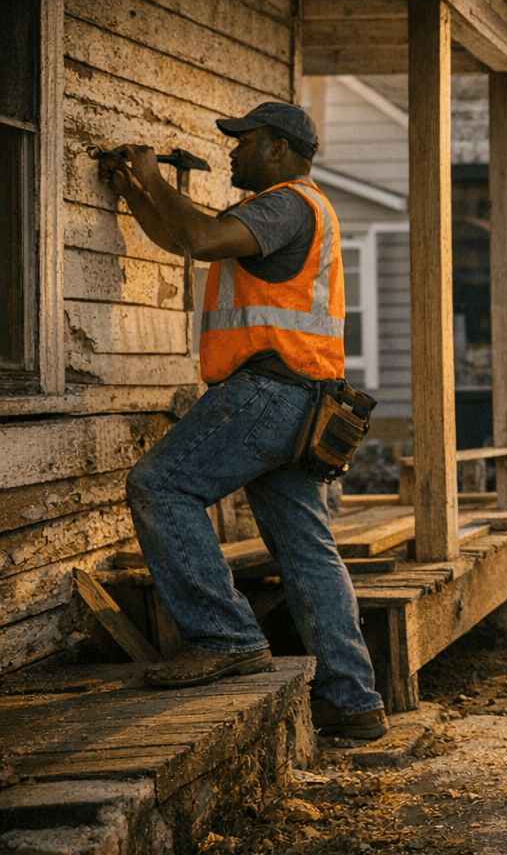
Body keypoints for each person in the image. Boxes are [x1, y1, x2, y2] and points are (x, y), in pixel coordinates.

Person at [104, 102, 387, 740]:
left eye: (244, 141)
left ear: (281, 149)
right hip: (306, 403)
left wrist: (152, 178)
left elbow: (200, 238)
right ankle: (353, 701)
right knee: (307, 548)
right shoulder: (305, 209)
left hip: (268, 392)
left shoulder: (286, 203)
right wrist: (136, 193)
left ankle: (225, 634)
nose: (232, 152)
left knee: (161, 485)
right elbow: (185, 239)